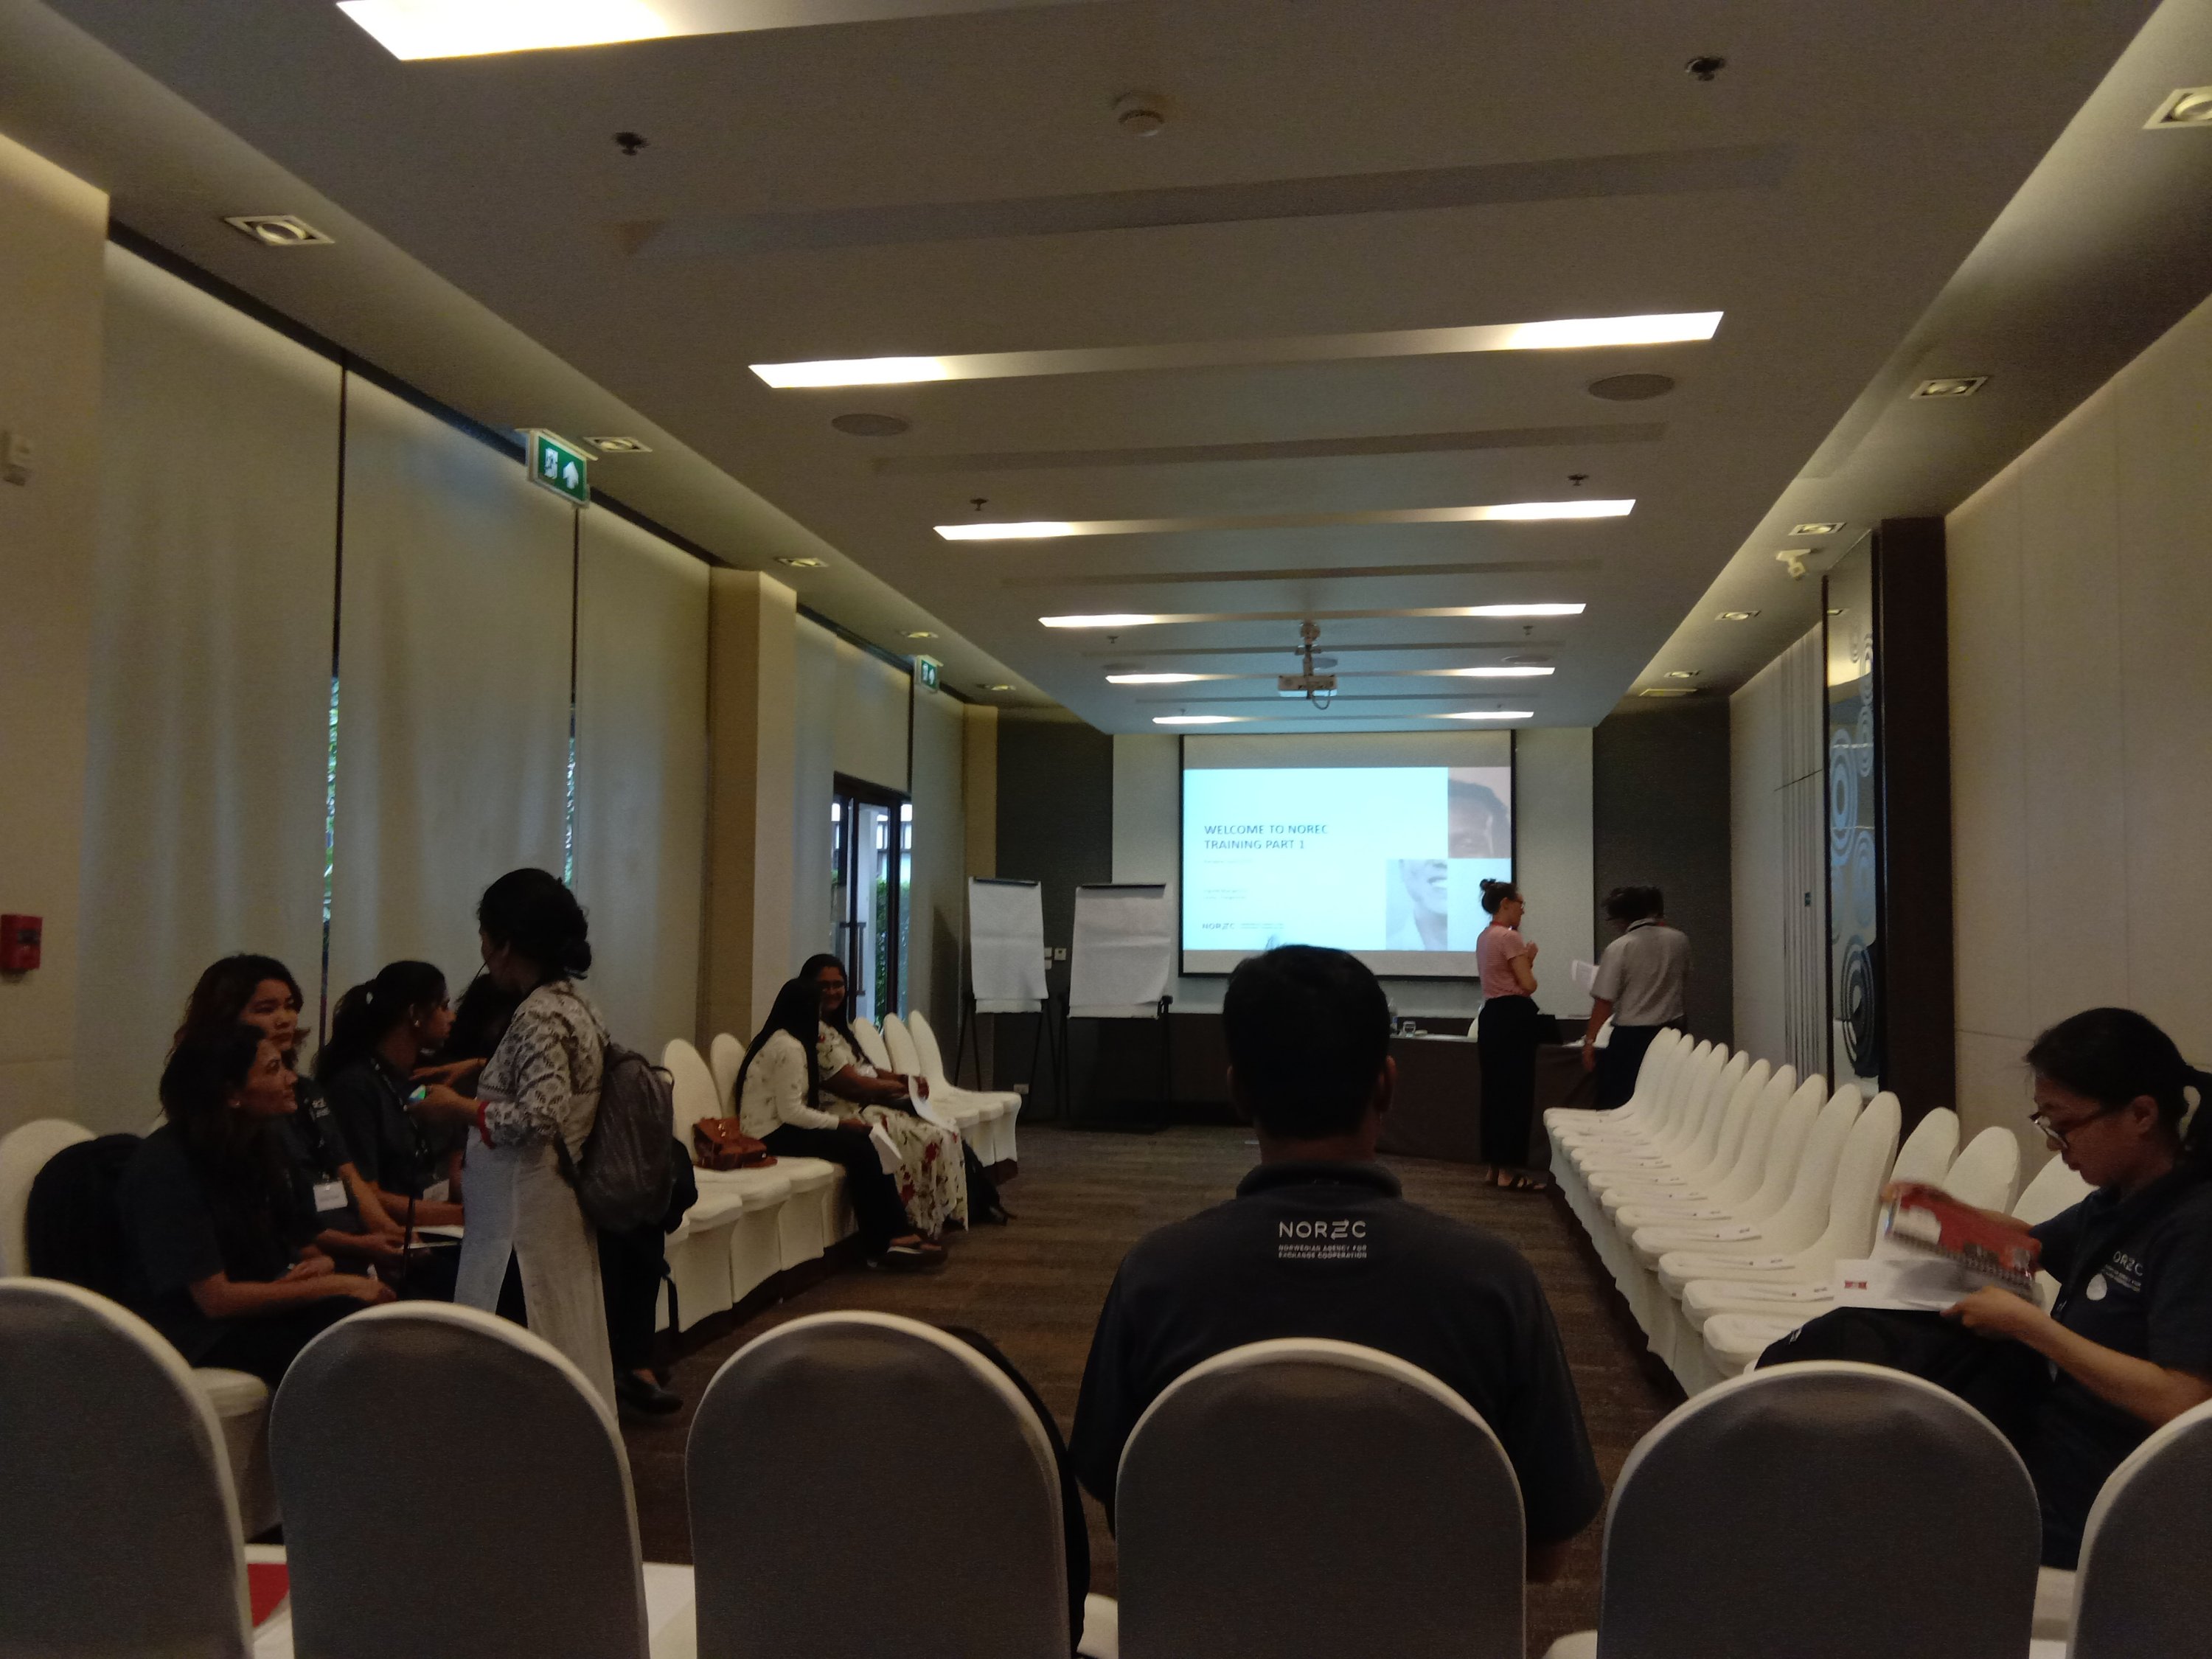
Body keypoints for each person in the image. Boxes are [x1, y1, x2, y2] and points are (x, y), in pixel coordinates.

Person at [1069, 945, 1601, 1576]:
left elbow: (1126, 1511)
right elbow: (1544, 1555)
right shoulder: (1494, 1283)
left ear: (1237, 1091)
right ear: (1387, 1084)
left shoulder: (1156, 1277)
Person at [1890, 1008, 2212, 1568]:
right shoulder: (2121, 1196)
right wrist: (1944, 1212)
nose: (2055, 1147)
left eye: (2063, 1127)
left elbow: (2182, 1400)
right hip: (2047, 1437)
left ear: (2141, 1114)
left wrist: (2031, 1328)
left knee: (1891, 1513)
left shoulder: (2193, 1226)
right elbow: (2030, 1246)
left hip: (2109, 1493)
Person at [406, 869, 618, 1408]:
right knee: (564, 1345)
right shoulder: (574, 1002)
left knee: (517, 1364)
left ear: (503, 945)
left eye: (483, 936)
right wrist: (479, 1070)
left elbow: (539, 1117)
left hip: (521, 1228)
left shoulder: (537, 1014)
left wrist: (457, 1107)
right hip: (552, 1209)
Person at [117, 1023, 392, 1383]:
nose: (291, 1079)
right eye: (274, 1069)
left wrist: (321, 1265)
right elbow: (216, 1300)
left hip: (259, 1301)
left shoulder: (258, 1145)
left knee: (375, 1320)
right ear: (232, 1094)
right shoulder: (167, 1168)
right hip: (199, 1333)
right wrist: (337, 1285)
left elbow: (304, 1244)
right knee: (348, 1340)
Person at [175, 954, 404, 1268]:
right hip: (299, 1258)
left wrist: (391, 1233)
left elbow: (348, 1174)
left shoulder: (306, 1090)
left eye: (290, 1006)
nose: (285, 1019)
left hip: (348, 1243)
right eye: (266, 1010)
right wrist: (361, 1249)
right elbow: (276, 1225)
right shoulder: (227, 1111)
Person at [731, 976, 942, 1270]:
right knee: (861, 1150)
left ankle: (894, 1233)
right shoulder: (789, 1047)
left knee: (866, 1145)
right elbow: (792, 1113)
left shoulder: (782, 1040)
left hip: (779, 1128)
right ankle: (883, 1241)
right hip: (771, 1134)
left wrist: (845, 1126)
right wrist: (843, 1124)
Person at [798, 951, 987, 1235]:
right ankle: (912, 1222)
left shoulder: (837, 1028)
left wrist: (904, 1078)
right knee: (924, 1137)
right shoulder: (814, 1032)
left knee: (943, 1131)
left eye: (838, 984)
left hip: (864, 1104)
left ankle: (940, 1214)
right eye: (823, 986)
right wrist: (902, 1088)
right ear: (807, 987)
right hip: (842, 1111)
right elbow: (851, 1084)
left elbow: (866, 1069)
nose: (832, 992)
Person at [316, 961, 467, 1232]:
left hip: (445, 1221)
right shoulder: (355, 1087)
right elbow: (367, 1194)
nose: (452, 1017)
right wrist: (464, 1216)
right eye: (443, 1007)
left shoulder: (432, 1075)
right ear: (415, 1014)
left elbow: (455, 1166)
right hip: (393, 1232)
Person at [1582, 885, 1691, 1109]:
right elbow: (1685, 976)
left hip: (1631, 1038)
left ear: (1621, 919)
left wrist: (1590, 1042)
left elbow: (1604, 1001)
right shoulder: (1680, 940)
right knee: (1665, 1101)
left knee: (1620, 1100)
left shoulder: (1620, 947)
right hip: (1674, 1031)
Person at [1475, 879, 1546, 1191]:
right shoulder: (1509, 937)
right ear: (1505, 903)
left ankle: (1494, 1167)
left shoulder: (1484, 936)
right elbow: (1528, 985)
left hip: (1492, 1017)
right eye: (1520, 904)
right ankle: (1508, 1172)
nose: (1523, 910)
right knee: (1515, 1094)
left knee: (1495, 1093)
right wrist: (1529, 960)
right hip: (1513, 1019)